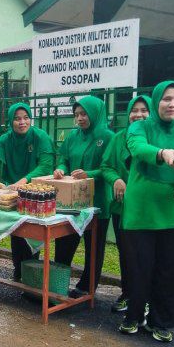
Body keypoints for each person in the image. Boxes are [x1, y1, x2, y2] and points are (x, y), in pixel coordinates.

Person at [119, 81, 174, 342]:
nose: (172, 104)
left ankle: (161, 322)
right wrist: (163, 153)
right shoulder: (140, 127)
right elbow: (138, 148)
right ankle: (134, 316)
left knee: (171, 270)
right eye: (166, 99)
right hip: (143, 211)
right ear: (156, 101)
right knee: (139, 267)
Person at [0, 103, 55, 281]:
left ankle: (31, 277)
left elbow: (46, 165)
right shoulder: (4, 140)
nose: (22, 122)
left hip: (35, 195)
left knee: (32, 233)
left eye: (26, 118)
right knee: (16, 232)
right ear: (10, 121)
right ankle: (18, 273)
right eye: (17, 119)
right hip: (12, 194)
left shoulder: (40, 137)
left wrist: (24, 180)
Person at [53, 96, 114, 298]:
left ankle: (87, 287)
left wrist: (89, 174)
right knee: (64, 241)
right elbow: (64, 158)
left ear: (94, 114)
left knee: (93, 246)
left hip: (97, 200)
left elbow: (109, 168)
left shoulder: (108, 137)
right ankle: (57, 283)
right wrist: (61, 169)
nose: (79, 118)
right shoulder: (73, 136)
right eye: (77, 114)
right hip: (71, 201)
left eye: (84, 114)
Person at [100, 95, 151, 313]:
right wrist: (116, 180)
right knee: (126, 252)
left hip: (149, 208)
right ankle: (128, 293)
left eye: (144, 110)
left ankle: (146, 299)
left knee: (147, 254)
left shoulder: (156, 137)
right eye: (134, 111)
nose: (138, 115)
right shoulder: (118, 138)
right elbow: (106, 166)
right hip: (122, 206)